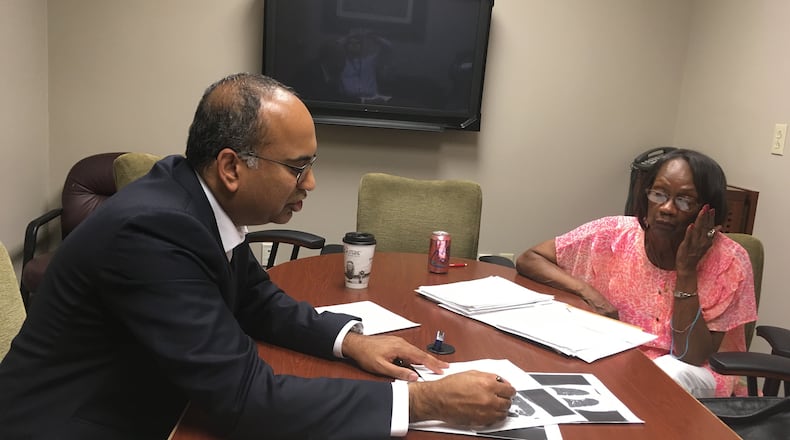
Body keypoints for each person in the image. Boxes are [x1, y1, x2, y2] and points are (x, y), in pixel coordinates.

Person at [0, 73, 515, 439]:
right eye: (297, 167)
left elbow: (254, 297)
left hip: (146, 394)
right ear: (231, 167)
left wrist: (350, 342)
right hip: (76, 421)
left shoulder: (192, 197)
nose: (310, 183)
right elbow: (244, 400)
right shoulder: (154, 230)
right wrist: (423, 402)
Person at [515, 149, 757, 398]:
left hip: (693, 374)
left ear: (709, 211)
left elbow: (691, 356)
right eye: (658, 194)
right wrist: (589, 294)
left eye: (684, 201)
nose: (666, 208)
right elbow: (530, 258)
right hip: (615, 360)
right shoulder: (612, 234)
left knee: (669, 374)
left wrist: (686, 270)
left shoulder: (730, 262)